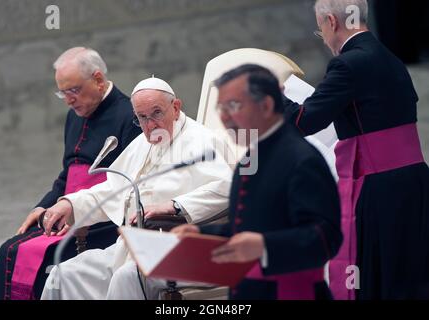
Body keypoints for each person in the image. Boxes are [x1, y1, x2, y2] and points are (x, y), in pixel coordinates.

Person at [284, 0, 429, 299]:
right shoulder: (389, 56)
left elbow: (304, 121)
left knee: (376, 279)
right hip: (414, 183)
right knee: (410, 274)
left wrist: (272, 95)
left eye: (319, 29)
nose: (322, 37)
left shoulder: (348, 63)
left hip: (378, 190)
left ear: (331, 22)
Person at [40, 77, 233, 300]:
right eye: (142, 118)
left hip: (178, 248)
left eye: (157, 113)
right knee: (64, 274)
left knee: (126, 278)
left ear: (176, 107)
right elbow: (113, 190)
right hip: (130, 250)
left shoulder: (202, 141)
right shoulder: (142, 142)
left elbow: (228, 188)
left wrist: (176, 206)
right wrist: (70, 204)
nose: (150, 125)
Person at [0, 47, 141, 300]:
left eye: (74, 90)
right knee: (9, 249)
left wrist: (77, 208)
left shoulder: (130, 116)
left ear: (98, 80)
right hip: (64, 211)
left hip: (101, 219)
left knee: (40, 255)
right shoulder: (74, 115)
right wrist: (43, 206)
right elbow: (68, 174)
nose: (68, 100)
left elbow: (127, 185)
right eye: (62, 92)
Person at [173, 64, 342, 300]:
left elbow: (326, 239)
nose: (224, 117)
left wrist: (265, 246)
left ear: (266, 105)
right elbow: (247, 228)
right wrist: (201, 233)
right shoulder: (250, 159)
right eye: (221, 108)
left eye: (233, 106)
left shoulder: (302, 159)